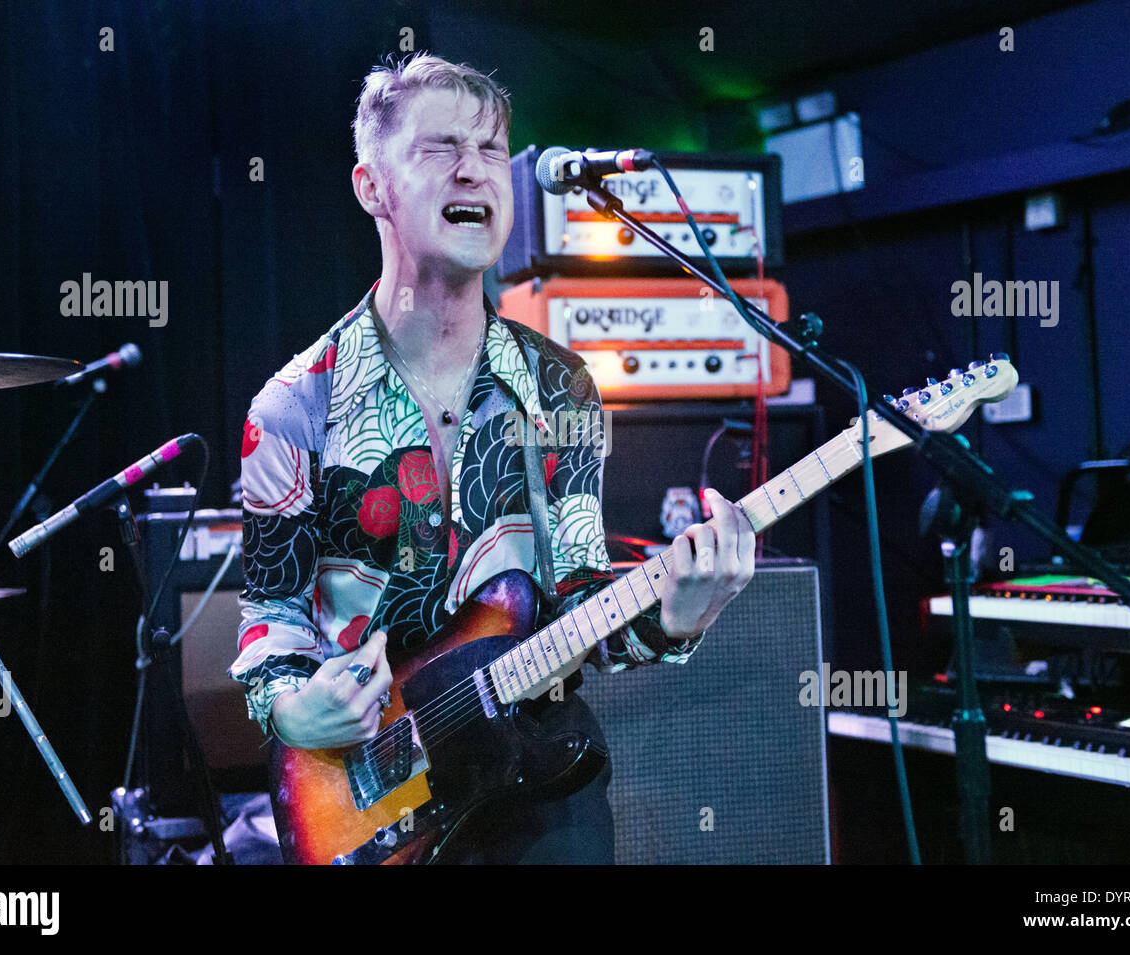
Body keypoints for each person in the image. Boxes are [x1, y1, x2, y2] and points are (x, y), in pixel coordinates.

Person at [229, 53, 756, 863]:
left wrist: (675, 619)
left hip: (536, 768)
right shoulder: (294, 405)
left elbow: (583, 605)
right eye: (441, 148)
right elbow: (271, 613)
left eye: (489, 148)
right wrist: (294, 708)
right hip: (373, 790)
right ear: (373, 187)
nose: (474, 169)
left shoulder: (563, 388)